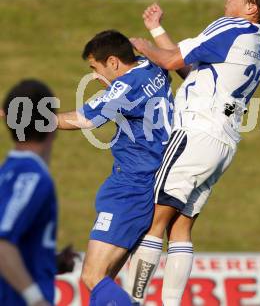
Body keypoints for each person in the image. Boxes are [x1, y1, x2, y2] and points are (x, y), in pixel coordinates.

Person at [126, 0, 260, 305]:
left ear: (251, 6)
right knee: (181, 227)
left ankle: (132, 300)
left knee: (152, 220)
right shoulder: (257, 44)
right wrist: (157, 30)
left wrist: (142, 47)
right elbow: (190, 70)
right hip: (223, 143)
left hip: (194, 133)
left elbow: (170, 61)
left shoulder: (229, 27)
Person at [55, 30, 173, 305]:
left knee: (93, 276)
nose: (95, 75)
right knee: (104, 281)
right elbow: (171, 61)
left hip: (130, 186)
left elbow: (82, 120)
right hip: (150, 179)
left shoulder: (125, 86)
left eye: (95, 68)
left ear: (113, 61)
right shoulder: (151, 65)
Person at [0, 79, 76, 306]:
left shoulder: (7, 173)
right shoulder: (33, 178)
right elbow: (2, 243)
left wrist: (49, 262)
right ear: (50, 125)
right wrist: (36, 300)